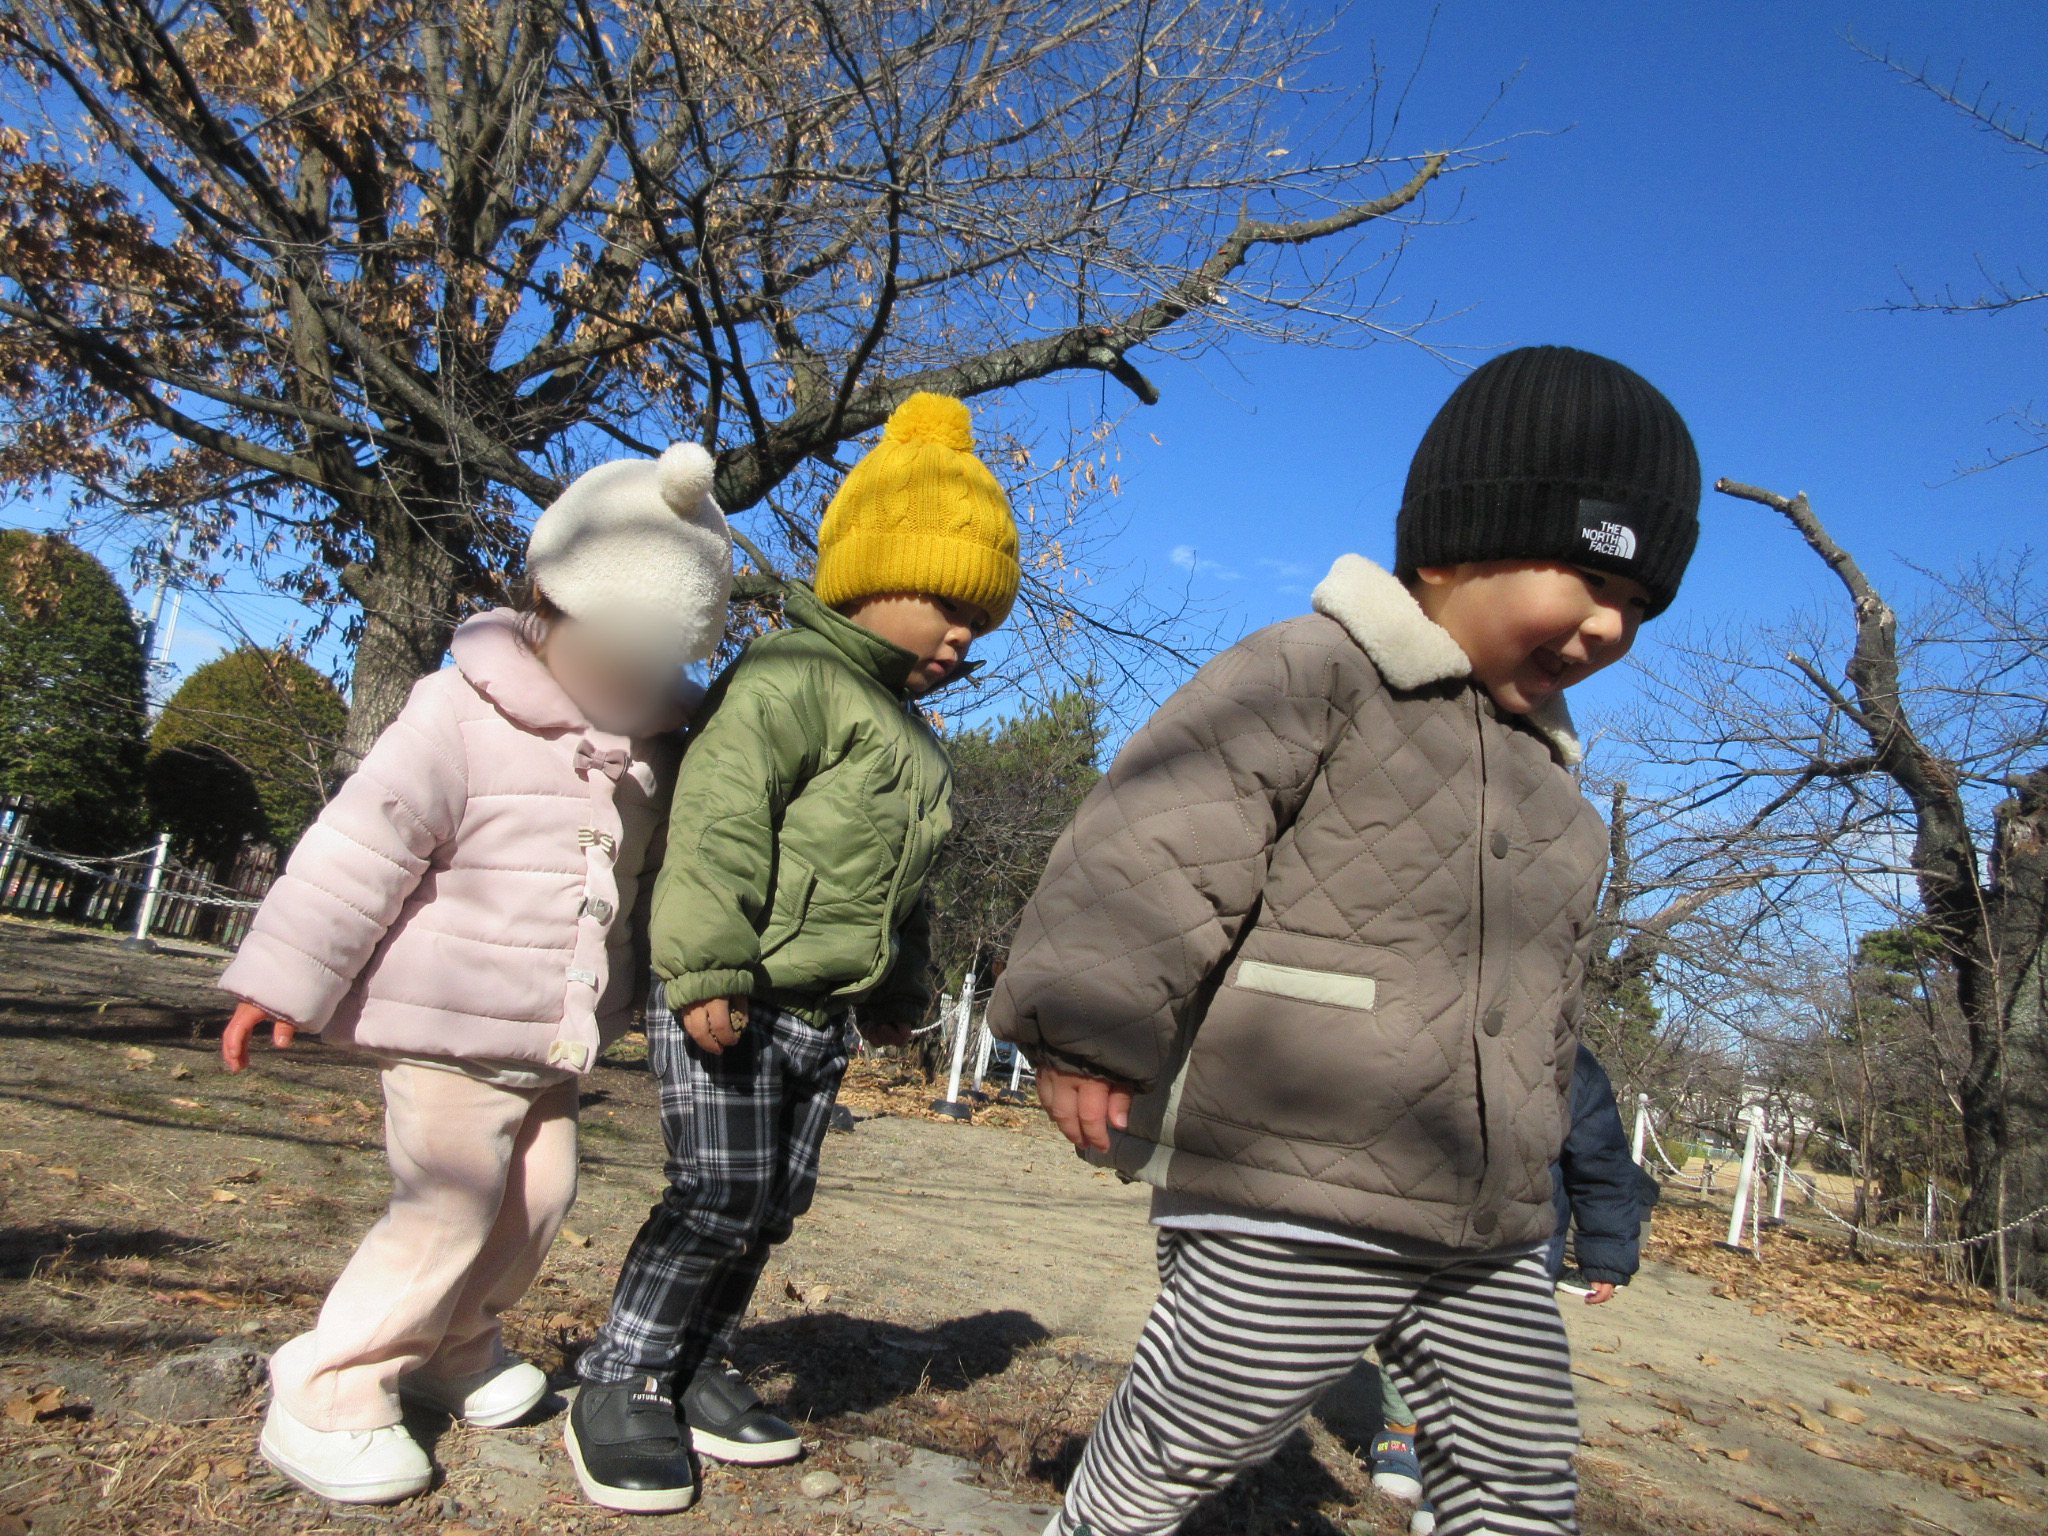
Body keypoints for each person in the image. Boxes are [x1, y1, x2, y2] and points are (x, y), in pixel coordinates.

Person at [989, 345, 1703, 1536]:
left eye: (1636, 604)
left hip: (1482, 1217)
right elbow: (1161, 838)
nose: (1605, 625)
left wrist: (1570, 1182)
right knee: (1200, 1421)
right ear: (1451, 551)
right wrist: (1087, 1024)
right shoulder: (1316, 674)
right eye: (1587, 577)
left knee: (1522, 1466)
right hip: (1289, 1170)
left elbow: (1547, 1021)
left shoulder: (1555, 795)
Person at [217, 444, 732, 1505]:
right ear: (544, 601)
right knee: (448, 1207)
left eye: (654, 664)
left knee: (539, 1200)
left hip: (547, 1041)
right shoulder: (458, 709)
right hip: (448, 1026)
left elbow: (643, 892)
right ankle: (330, 1384)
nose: (630, 681)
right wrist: (283, 973)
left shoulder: (651, 747)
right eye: (613, 651)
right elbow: (366, 839)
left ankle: (454, 1346)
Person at [566, 392, 1020, 1514]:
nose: (963, 638)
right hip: (736, 992)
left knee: (772, 1202)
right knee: (715, 1192)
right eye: (949, 605)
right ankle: (621, 1374)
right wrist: (706, 965)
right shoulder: (787, 680)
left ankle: (696, 1362)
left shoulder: (917, 744)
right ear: (869, 577)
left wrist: (899, 989)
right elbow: (717, 822)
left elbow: (904, 891)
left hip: (820, 1017)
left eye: (981, 620)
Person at [1367, 1043, 1659, 1534]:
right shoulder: (1430, 1032)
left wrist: (1606, 1251)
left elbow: (1602, 1164)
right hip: (1423, 1226)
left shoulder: (1573, 1066)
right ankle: (1403, 1435)